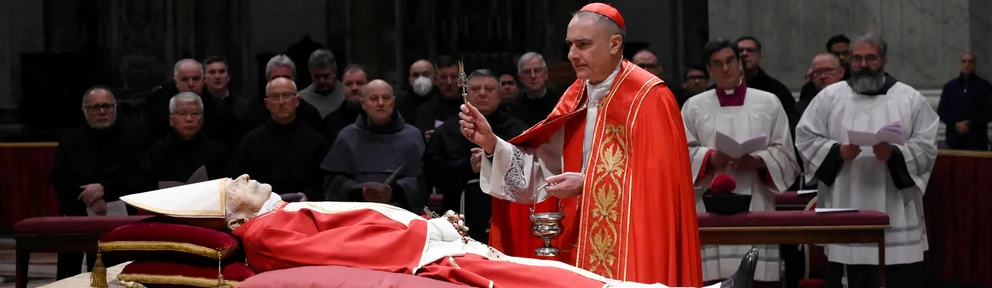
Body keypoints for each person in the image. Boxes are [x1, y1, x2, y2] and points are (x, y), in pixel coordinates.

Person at [115, 175, 758, 288]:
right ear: (232, 215)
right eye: (239, 185)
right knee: (553, 278)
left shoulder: (279, 212)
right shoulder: (265, 233)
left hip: (431, 243)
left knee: (560, 273)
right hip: (432, 261)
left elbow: (364, 224)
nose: (251, 178)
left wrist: (425, 225)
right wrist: (430, 240)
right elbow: (351, 250)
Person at [458, 3, 701, 285]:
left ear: (615, 43)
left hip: (634, 248)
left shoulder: (649, 97)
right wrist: (491, 144)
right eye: (570, 45)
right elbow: (542, 170)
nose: (572, 55)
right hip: (576, 243)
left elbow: (660, 187)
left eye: (583, 45)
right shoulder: (577, 94)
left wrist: (588, 183)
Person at [795, 33, 938, 288]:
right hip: (845, 197)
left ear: (883, 60)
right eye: (857, 58)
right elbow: (805, 137)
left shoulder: (909, 98)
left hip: (894, 204)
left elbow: (927, 146)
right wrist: (837, 151)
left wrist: (896, 154)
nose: (863, 65)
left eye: (870, 58)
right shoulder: (830, 97)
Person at [682, 39, 799, 286]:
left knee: (756, 278)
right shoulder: (694, 106)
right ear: (709, 69)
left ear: (740, 64)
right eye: (717, 64)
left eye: (730, 61)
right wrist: (709, 158)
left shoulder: (768, 102)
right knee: (712, 278)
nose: (726, 68)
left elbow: (786, 152)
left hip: (756, 198)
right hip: (708, 203)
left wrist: (758, 161)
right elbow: (681, 154)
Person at [423, 69, 530, 243]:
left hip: (507, 208)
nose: (482, 93)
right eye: (476, 89)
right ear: (465, 93)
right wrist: (468, 166)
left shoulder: (519, 129)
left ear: (499, 93)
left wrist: (497, 159)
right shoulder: (446, 131)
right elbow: (431, 171)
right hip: (460, 210)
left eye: (489, 89)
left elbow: (530, 167)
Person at [320, 80, 426, 211]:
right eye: (374, 98)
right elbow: (332, 183)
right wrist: (361, 193)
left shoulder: (412, 136)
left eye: (386, 98)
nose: (381, 103)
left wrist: (393, 191)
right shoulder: (347, 136)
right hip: (356, 213)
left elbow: (424, 182)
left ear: (393, 102)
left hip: (402, 214)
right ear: (363, 104)